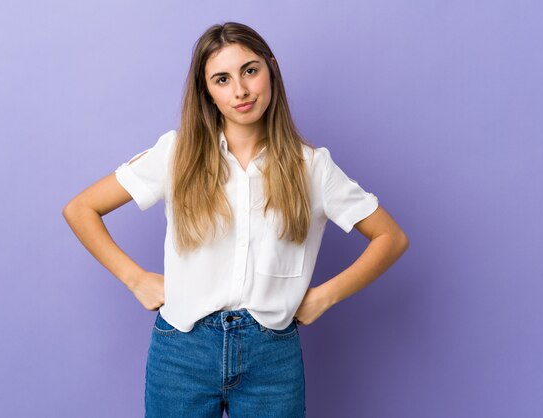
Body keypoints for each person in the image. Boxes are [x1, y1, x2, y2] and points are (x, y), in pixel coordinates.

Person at [62, 21, 408, 418]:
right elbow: (81, 208)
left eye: (250, 70)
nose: (240, 91)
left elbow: (390, 238)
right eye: (222, 79)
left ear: (271, 69)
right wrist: (134, 278)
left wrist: (324, 296)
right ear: (207, 92)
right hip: (182, 352)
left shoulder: (312, 167)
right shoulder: (176, 153)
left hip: (272, 357)